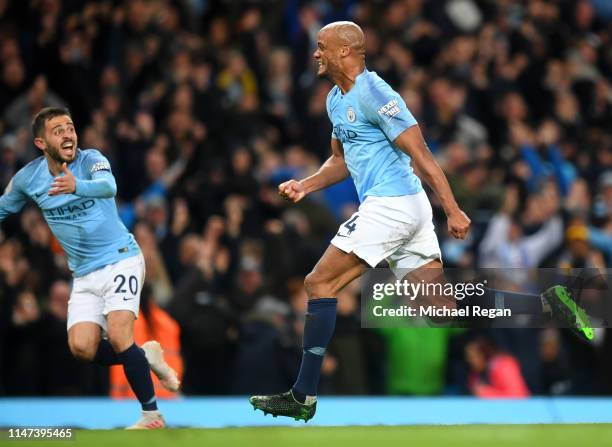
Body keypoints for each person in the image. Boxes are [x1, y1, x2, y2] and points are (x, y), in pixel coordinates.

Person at [249, 21, 591, 422]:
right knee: (439, 309)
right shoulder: (334, 101)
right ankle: (553, 306)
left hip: (392, 205)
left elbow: (422, 153)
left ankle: (302, 396)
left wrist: (453, 208)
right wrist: (307, 185)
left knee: (318, 283)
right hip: (403, 209)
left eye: (322, 46)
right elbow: (341, 160)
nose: (315, 53)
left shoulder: (377, 93)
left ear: (345, 50)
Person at [0, 107, 179, 429]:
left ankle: (152, 415)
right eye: (58, 130)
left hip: (120, 258)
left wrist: (76, 186)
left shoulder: (90, 159)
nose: (68, 134)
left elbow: (108, 186)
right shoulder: (28, 178)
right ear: (41, 143)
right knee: (82, 347)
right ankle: (146, 358)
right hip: (83, 274)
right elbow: (3, 208)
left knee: (121, 335)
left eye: (70, 127)